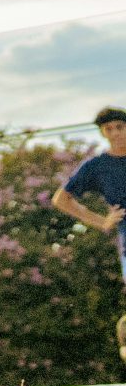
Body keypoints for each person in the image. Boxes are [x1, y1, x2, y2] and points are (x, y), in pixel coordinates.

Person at [51, 105, 126, 361]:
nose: (116, 133)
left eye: (120, 127)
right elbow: (62, 199)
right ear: (103, 133)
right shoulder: (98, 166)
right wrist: (102, 221)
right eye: (109, 129)